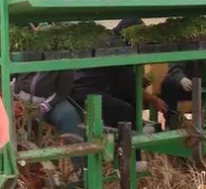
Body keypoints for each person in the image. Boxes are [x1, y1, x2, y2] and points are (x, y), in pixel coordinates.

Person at [70, 19, 167, 172]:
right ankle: (129, 161)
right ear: (131, 33)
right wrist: (154, 100)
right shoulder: (120, 49)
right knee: (125, 110)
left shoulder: (112, 42)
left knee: (128, 104)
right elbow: (128, 85)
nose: (143, 43)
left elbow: (122, 80)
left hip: (90, 88)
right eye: (142, 38)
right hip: (86, 92)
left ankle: (132, 142)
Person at [12, 70, 84, 170]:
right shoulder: (20, 56)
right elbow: (2, 76)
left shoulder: (63, 61)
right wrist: (11, 98)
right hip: (18, 100)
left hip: (49, 103)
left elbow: (62, 92)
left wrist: (48, 104)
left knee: (68, 115)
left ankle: (79, 169)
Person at [159, 59, 206, 130]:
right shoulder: (186, 49)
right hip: (185, 87)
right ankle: (171, 123)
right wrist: (181, 79)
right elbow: (174, 67)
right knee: (167, 84)